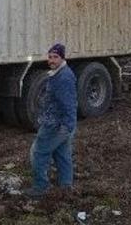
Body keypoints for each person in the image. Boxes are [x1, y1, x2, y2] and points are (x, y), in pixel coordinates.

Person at [25, 43, 77, 199]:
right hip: (60, 124)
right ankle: (66, 186)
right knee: (62, 154)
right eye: (50, 57)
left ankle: (40, 188)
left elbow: (69, 105)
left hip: (54, 125)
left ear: (62, 58)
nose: (51, 60)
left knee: (39, 153)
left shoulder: (63, 78)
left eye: (55, 57)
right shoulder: (59, 74)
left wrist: (67, 126)